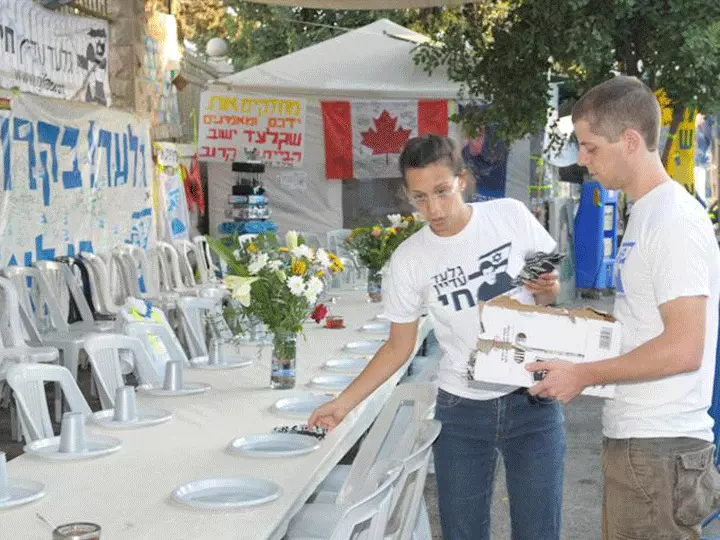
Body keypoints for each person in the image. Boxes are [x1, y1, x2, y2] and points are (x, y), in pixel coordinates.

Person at [309, 134, 565, 540]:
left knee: (539, 531)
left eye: (442, 192)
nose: (434, 209)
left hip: (532, 398)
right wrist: (343, 403)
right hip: (462, 410)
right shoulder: (409, 259)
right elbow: (398, 346)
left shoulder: (510, 216)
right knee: (463, 532)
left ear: (462, 180)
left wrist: (548, 290)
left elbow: (550, 292)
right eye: (420, 198)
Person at [526, 75, 720, 540]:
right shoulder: (647, 213)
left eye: (590, 147)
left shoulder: (672, 220)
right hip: (642, 441)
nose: (581, 159)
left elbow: (683, 348)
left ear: (630, 141)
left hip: (659, 444)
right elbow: (642, 327)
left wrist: (583, 375)